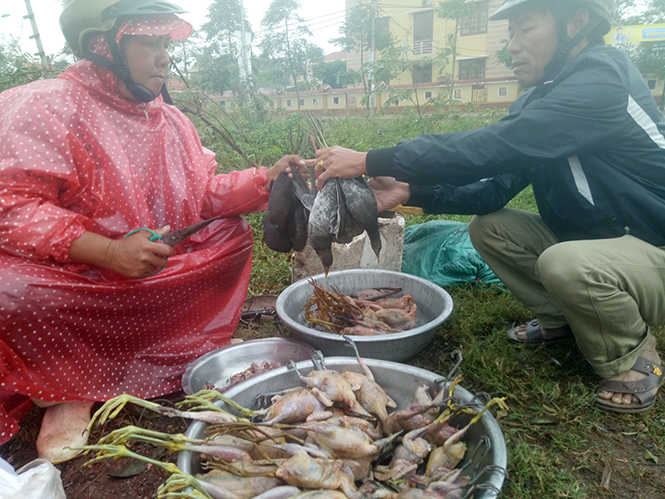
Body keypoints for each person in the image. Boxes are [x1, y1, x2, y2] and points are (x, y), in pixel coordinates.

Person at [310, 0, 665, 415]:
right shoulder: (538, 100)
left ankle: (632, 357)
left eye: (526, 30)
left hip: (652, 247)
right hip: (604, 244)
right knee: (489, 227)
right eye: (511, 34)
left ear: (578, 22)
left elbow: (492, 147)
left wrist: (372, 159)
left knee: (566, 263)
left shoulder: (603, 78)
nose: (512, 46)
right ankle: (564, 319)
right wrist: (410, 191)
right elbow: (491, 190)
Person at [0, 0, 301, 462]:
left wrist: (266, 179)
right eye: (150, 43)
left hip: (152, 271)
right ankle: (65, 389)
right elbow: (12, 208)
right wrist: (107, 251)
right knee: (11, 290)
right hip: (78, 284)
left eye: (166, 44)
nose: (165, 57)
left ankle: (180, 343)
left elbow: (202, 195)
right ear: (103, 45)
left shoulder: (168, 118)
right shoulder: (44, 104)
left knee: (230, 235)